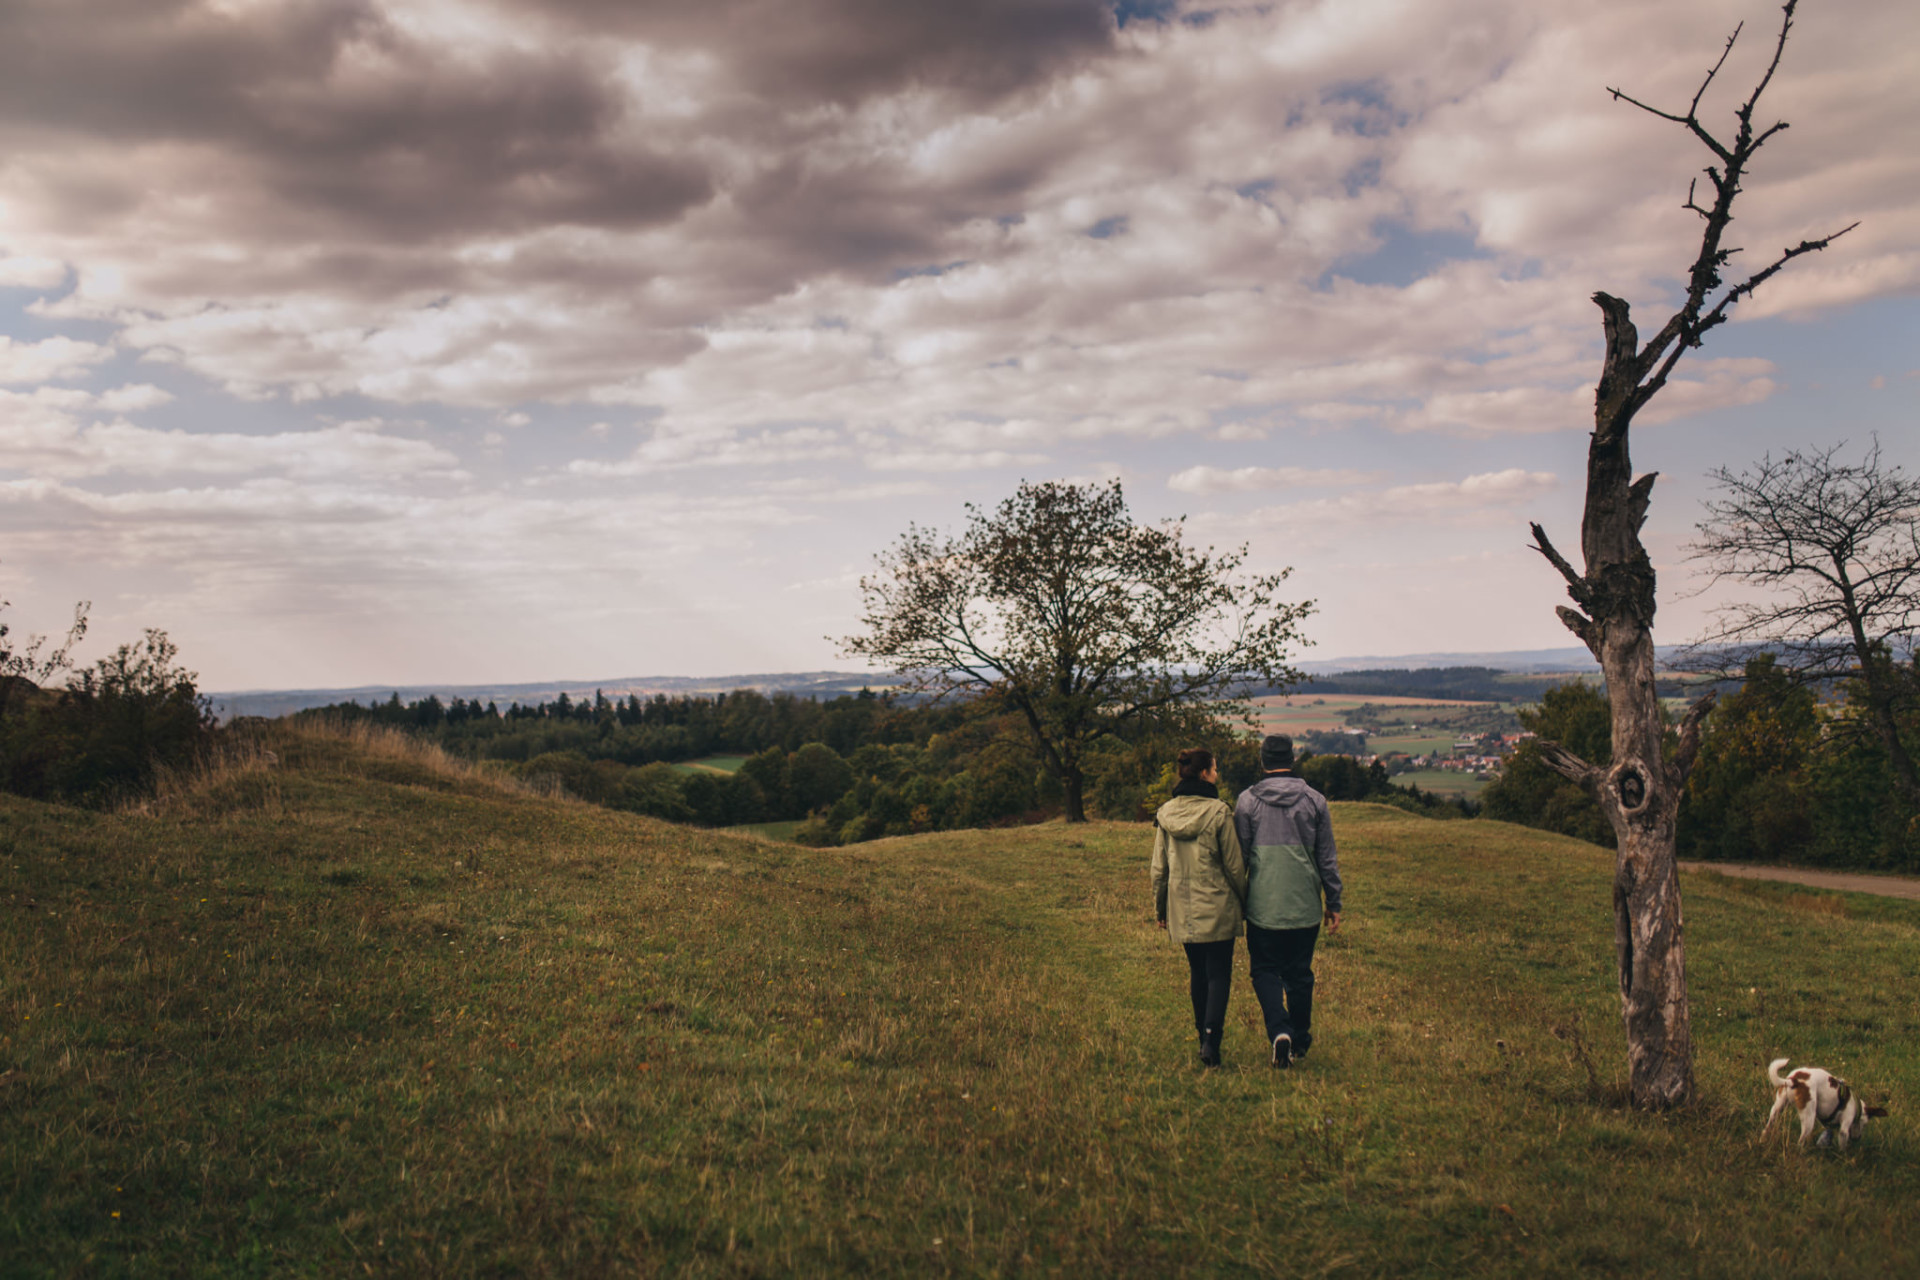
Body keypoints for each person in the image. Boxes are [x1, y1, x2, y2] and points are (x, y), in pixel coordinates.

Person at [1234, 734, 1342, 1070]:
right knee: (1299, 974)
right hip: (1304, 906)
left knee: (1265, 969)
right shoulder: (1315, 801)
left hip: (1263, 907)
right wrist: (1333, 901)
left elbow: (1239, 860)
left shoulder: (1247, 802)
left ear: (1262, 761)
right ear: (1292, 760)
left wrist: (1237, 903)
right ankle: (1299, 1036)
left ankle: (1279, 1030)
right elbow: (1327, 858)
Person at [1152, 747, 1248, 1068]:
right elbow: (1235, 866)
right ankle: (1211, 1040)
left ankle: (1201, 1033)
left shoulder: (1165, 814)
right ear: (1205, 772)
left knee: (1198, 972)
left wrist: (1161, 910)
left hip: (1183, 908)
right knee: (1219, 974)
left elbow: (1159, 870)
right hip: (1218, 906)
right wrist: (1246, 901)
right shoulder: (1220, 812)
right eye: (1215, 769)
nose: (1217, 774)